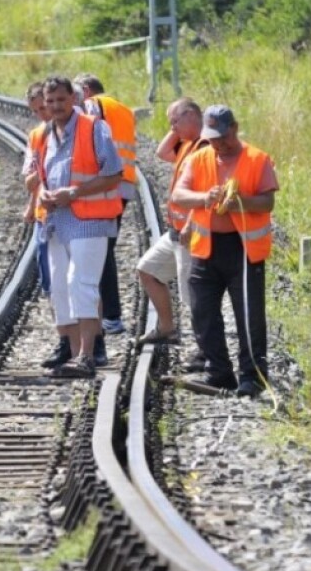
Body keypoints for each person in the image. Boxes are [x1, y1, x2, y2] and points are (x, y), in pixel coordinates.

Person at [170, 105, 278, 398]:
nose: (217, 143)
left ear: (235, 128)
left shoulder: (257, 159)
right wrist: (205, 198)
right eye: (212, 137)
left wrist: (240, 201)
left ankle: (252, 377)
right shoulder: (199, 158)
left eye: (222, 136)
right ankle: (219, 373)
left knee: (249, 315)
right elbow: (179, 195)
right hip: (205, 249)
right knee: (202, 312)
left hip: (243, 249)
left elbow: (267, 202)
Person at [33, 76, 124, 378]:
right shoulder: (46, 133)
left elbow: (114, 174)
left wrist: (73, 193)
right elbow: (40, 174)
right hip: (57, 221)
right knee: (60, 287)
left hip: (91, 219)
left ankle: (87, 355)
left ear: (73, 99)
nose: (56, 106)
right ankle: (73, 355)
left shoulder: (94, 127)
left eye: (61, 99)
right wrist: (44, 194)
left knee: (80, 283)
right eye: (50, 101)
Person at [134, 98, 206, 371]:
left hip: (190, 233)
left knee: (192, 297)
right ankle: (166, 328)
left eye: (175, 120)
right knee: (147, 270)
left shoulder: (205, 147)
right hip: (174, 233)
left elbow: (204, 192)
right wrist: (177, 128)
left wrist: (191, 224)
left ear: (192, 116)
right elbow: (162, 153)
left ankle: (203, 351)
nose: (171, 127)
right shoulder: (186, 143)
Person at [75, 73, 136, 337]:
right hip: (125, 182)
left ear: (86, 91)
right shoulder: (122, 108)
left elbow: (90, 137)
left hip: (106, 183)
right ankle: (109, 314)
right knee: (104, 248)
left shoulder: (94, 106)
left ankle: (111, 316)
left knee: (101, 251)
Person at [20, 81, 52, 298]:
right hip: (43, 210)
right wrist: (31, 206)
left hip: (68, 209)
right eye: (36, 111)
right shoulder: (36, 135)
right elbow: (32, 178)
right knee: (44, 260)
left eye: (43, 107)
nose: (41, 114)